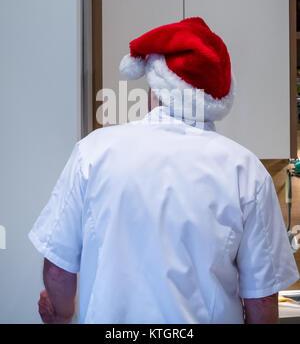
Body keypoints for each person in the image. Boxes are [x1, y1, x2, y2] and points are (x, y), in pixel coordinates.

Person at [29, 17, 299, 324]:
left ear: (155, 88)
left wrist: (62, 316)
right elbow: (262, 299)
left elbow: (57, 268)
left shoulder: (93, 152)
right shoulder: (246, 171)